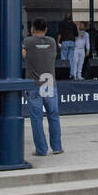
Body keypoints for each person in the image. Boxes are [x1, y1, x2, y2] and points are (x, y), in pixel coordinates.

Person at [22, 18, 63, 157]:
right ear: (46, 29)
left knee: (36, 118)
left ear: (32, 29)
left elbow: (23, 56)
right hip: (50, 84)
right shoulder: (52, 42)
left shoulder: (27, 42)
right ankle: (57, 147)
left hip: (34, 85)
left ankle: (41, 149)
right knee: (53, 116)